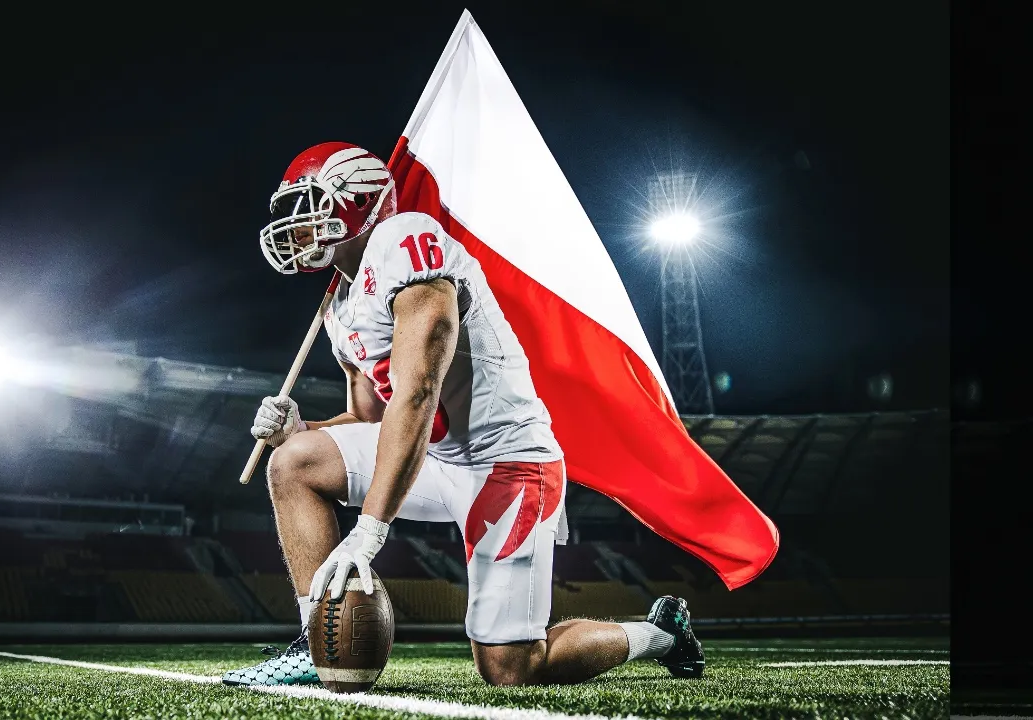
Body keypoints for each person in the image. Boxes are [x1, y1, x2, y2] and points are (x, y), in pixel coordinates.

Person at [222, 142, 703, 687]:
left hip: (507, 462)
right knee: (294, 460)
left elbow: (419, 390)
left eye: (310, 204)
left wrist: (370, 529)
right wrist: (302, 430)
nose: (297, 224)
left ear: (355, 200)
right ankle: (314, 641)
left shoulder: (405, 242)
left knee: (511, 669)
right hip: (438, 454)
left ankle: (662, 633)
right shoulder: (339, 307)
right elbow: (369, 417)